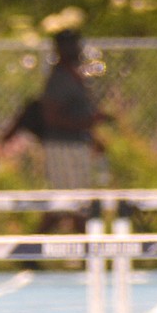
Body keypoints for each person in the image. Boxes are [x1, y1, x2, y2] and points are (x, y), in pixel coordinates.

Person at [38, 28, 110, 233]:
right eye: (71, 44)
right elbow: (51, 117)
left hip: (77, 144)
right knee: (71, 203)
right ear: (61, 48)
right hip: (63, 145)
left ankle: (33, 248)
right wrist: (86, 123)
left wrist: (92, 135)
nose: (77, 48)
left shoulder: (76, 74)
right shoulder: (60, 78)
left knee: (74, 202)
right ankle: (85, 251)